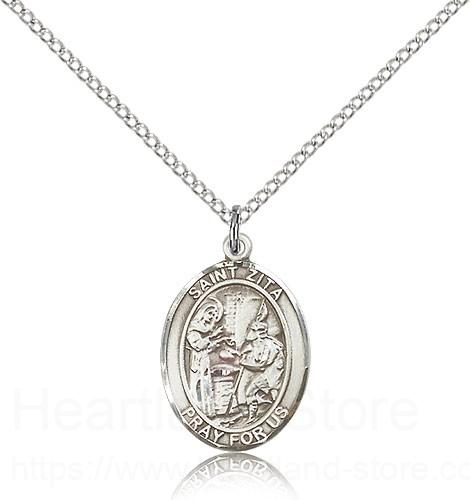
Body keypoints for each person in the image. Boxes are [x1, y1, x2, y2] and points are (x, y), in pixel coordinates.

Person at [235, 301, 285, 423]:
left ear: (260, 332)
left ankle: (256, 415)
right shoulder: (258, 343)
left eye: (253, 330)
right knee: (266, 392)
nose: (249, 333)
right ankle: (259, 412)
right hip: (270, 375)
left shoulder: (270, 345)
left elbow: (261, 365)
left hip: (273, 375)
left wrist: (244, 362)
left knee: (253, 391)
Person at [186, 297, 223, 417]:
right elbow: (197, 345)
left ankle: (208, 411)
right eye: (210, 313)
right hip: (197, 363)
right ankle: (198, 409)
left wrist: (216, 344)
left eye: (214, 315)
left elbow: (206, 348)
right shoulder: (193, 327)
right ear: (203, 312)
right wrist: (212, 337)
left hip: (204, 361)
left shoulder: (206, 329)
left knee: (206, 384)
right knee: (198, 384)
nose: (212, 317)